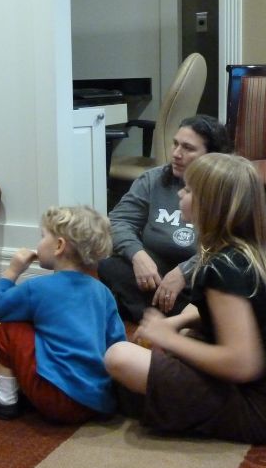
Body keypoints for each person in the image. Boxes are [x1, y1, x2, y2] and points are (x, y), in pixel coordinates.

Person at [104, 153, 266, 444]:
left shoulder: (223, 268)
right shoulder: (253, 250)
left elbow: (242, 364)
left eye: (188, 190)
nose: (180, 194)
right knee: (185, 339)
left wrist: (168, 338)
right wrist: (178, 322)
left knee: (119, 357)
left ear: (210, 204)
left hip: (265, 409)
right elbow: (240, 316)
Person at [0, 206, 126, 423]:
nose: (38, 243)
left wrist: (12, 271)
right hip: (97, 401)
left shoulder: (38, 288)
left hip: (55, 400)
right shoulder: (103, 292)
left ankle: (4, 400)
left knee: (10, 327)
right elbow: (117, 343)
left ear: (59, 246)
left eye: (42, 236)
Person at [98, 115, 231, 321]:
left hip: (200, 272)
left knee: (221, 283)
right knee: (110, 267)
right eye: (175, 144)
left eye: (188, 148)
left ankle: (156, 314)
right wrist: (137, 255)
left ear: (211, 155)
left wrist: (184, 272)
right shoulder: (152, 179)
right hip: (155, 270)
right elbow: (119, 221)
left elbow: (227, 246)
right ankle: (185, 317)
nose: (176, 154)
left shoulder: (226, 187)